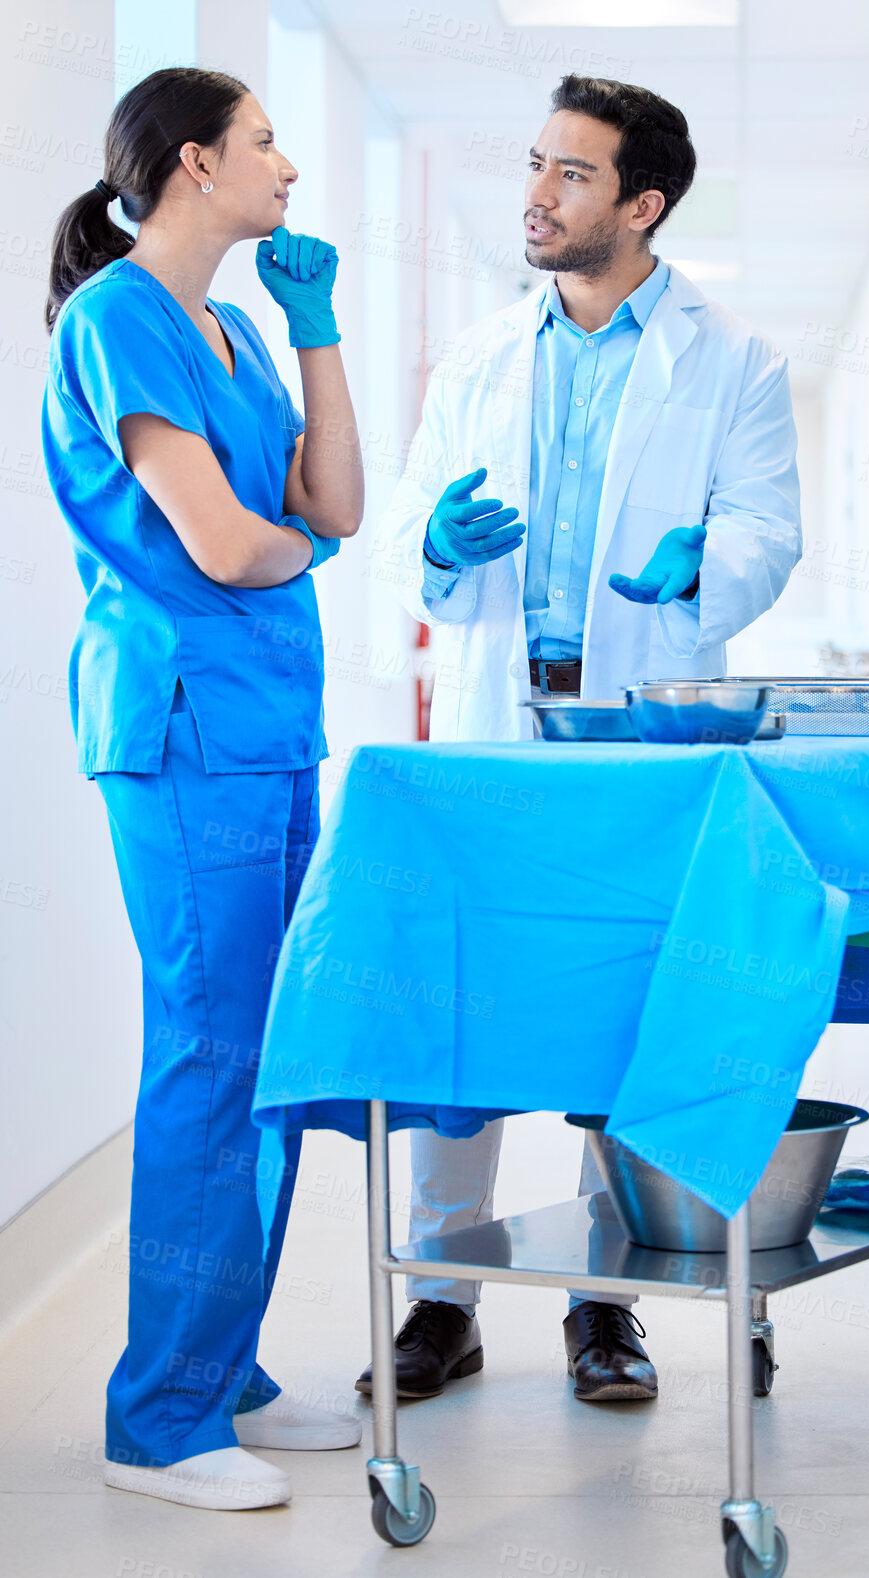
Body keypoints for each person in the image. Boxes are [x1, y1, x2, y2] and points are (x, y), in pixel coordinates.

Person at [368, 75, 801, 1407]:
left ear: (642, 203)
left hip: (639, 731)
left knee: (625, 1004)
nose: (536, 195)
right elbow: (403, 534)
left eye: (570, 174)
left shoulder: (732, 361)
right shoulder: (481, 357)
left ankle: (603, 1303)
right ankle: (443, 1297)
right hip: (501, 719)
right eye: (537, 165)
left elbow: (766, 533)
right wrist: (434, 548)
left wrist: (696, 572)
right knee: (470, 1005)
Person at [41, 67, 364, 1511]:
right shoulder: (114, 318)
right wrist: (299, 547)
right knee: (208, 1053)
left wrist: (319, 335)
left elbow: (333, 504)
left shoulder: (229, 330)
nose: (286, 169)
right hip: (180, 730)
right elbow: (235, 547)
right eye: (265, 142)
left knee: (271, 1054)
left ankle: (220, 1363)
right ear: (193, 163)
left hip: (268, 727)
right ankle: (160, 1418)